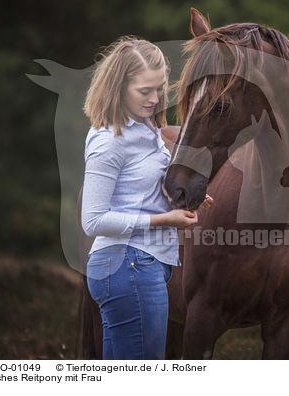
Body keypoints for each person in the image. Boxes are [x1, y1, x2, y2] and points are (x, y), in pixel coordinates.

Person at [80, 37, 212, 360]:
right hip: (128, 267)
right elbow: (92, 220)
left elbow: (139, 193)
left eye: (160, 89)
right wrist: (165, 220)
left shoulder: (147, 129)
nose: (155, 99)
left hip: (141, 266)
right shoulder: (109, 139)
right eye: (145, 91)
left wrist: (183, 197)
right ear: (119, 87)